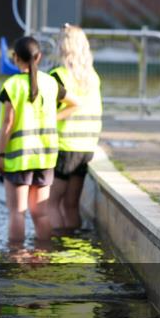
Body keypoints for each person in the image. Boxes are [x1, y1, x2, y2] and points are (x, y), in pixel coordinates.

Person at [0, 37, 77, 246]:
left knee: (17, 212)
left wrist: (0, 155)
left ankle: (16, 256)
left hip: (18, 158)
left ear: (15, 58)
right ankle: (44, 252)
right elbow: (74, 103)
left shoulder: (11, 86)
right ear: (39, 57)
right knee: (40, 213)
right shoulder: (50, 83)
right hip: (46, 157)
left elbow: (7, 124)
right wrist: (53, 118)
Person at [47, 25, 102, 234]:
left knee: (50, 204)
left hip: (65, 146)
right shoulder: (92, 77)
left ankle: (56, 248)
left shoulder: (58, 76)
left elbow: (58, 109)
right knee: (71, 205)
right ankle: (72, 246)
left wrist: (49, 120)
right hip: (86, 147)